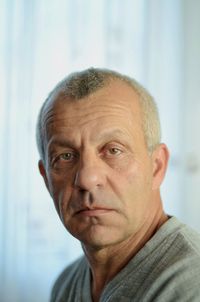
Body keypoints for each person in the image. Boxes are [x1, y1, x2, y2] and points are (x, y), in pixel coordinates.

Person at [36, 68, 200, 302]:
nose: (86, 179)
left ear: (157, 166)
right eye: (65, 156)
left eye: (114, 150)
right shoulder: (66, 284)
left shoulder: (191, 286)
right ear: (46, 179)